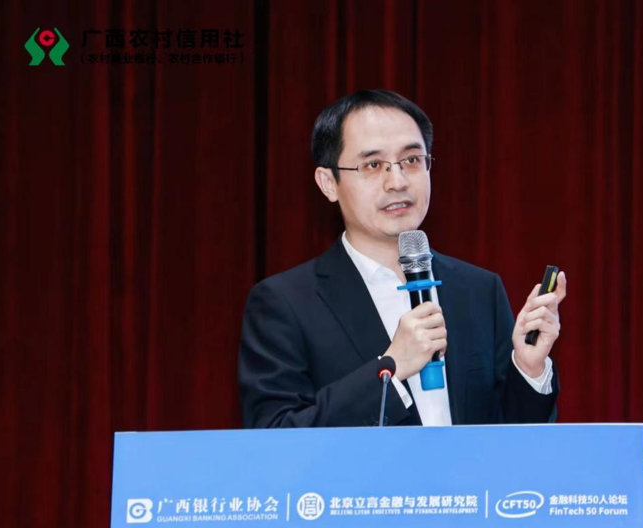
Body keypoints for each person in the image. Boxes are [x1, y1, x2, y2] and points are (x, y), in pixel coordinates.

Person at [238, 90, 566, 427]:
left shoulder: (479, 289)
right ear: (328, 183)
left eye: (411, 160)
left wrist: (529, 368)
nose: (397, 182)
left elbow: (513, 437)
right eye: (373, 165)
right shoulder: (285, 303)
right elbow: (275, 435)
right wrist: (390, 369)